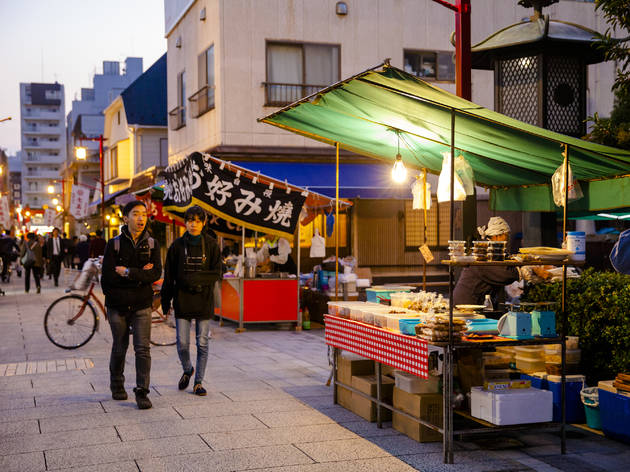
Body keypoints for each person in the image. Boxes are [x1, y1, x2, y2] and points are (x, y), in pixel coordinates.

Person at [101, 201, 161, 409]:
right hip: (117, 305)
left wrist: (127, 272)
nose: (141, 218)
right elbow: (107, 278)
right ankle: (117, 384)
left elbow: (155, 273)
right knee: (120, 346)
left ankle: (142, 391)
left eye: (144, 214)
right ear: (125, 218)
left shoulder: (152, 243)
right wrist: (140, 275)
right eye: (136, 214)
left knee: (143, 349)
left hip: (142, 304)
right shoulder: (114, 244)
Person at [161, 206, 221, 396]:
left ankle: (198, 382)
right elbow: (169, 276)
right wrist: (165, 301)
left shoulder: (211, 244)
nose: (193, 224)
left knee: (202, 342)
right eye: (189, 220)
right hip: (182, 299)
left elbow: (216, 273)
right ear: (185, 222)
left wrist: (194, 280)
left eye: (197, 220)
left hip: (203, 299)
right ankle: (188, 369)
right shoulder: (177, 246)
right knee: (182, 343)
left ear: (203, 223)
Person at [453, 216, 519, 307]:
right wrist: (524, 271)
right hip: (467, 302)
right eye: (506, 235)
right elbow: (504, 275)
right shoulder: (484, 253)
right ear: (496, 236)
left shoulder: (496, 252)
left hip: (478, 302)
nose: (507, 239)